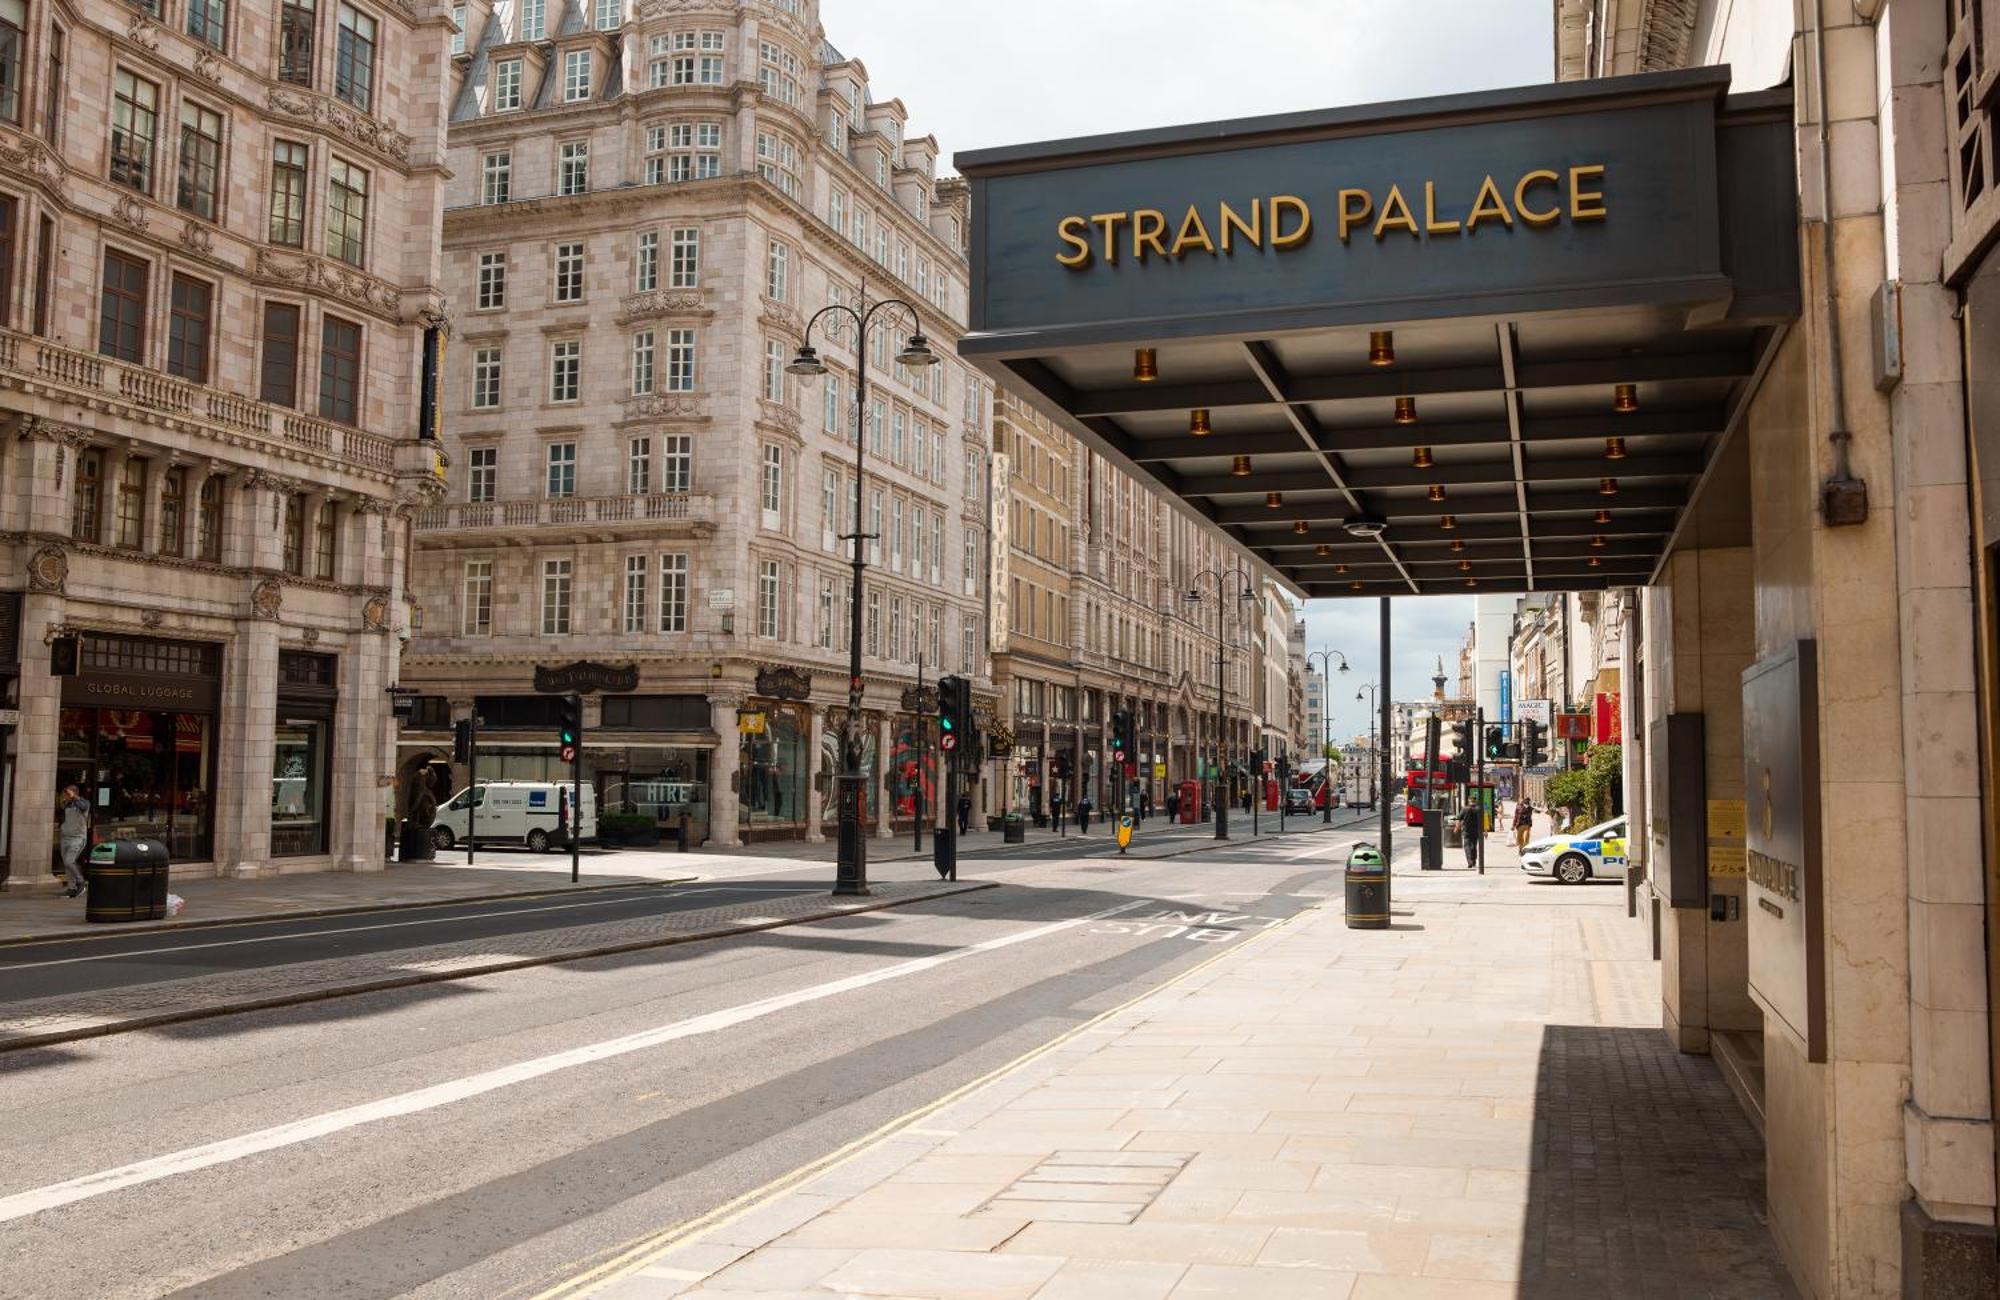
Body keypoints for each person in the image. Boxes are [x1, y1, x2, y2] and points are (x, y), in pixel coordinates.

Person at [58, 784, 91, 898]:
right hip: (65, 837)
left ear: (74, 793)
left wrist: (74, 797)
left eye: (67, 793)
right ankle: (71, 888)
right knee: (67, 864)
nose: (65, 796)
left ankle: (81, 882)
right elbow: (61, 811)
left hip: (78, 838)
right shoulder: (67, 804)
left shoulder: (84, 803)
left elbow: (83, 807)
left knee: (69, 861)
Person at [1461, 799, 1483, 868]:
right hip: (1476, 831)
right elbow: (1482, 821)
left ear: (1469, 802)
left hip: (1467, 830)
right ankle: (1473, 861)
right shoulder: (1479, 809)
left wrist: (1457, 827)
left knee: (1467, 846)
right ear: (1475, 802)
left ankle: (1470, 860)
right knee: (1474, 845)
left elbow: (1459, 818)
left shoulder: (1464, 809)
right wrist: (1484, 831)